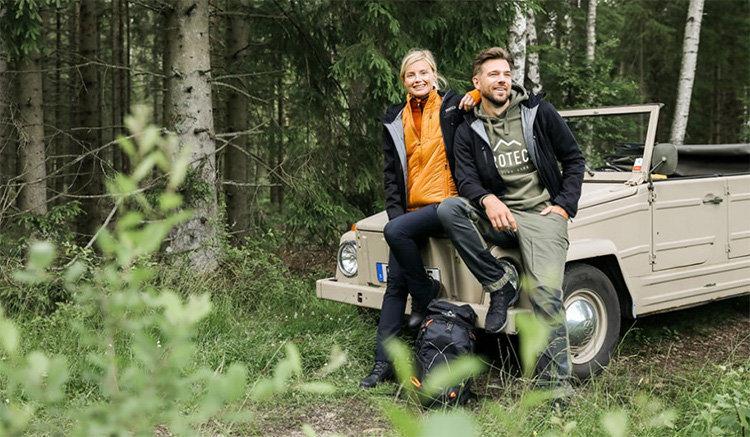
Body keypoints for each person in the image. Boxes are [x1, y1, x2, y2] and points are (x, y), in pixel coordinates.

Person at [436, 47, 585, 398]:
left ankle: (555, 391)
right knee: (449, 210)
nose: (501, 80)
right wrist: (488, 199)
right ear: (478, 82)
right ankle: (500, 281)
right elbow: (465, 177)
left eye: (505, 74)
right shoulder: (469, 127)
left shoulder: (538, 112)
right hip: (498, 214)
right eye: (493, 75)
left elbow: (574, 159)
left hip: (541, 216)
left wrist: (564, 206)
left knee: (547, 296)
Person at [359, 49, 479, 389]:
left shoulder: (453, 107)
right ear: (403, 80)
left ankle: (424, 295)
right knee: (394, 286)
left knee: (393, 234)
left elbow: (493, 92)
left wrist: (474, 94)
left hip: (446, 206)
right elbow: (391, 175)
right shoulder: (395, 119)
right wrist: (398, 214)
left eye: (424, 73)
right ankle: (384, 364)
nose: (418, 79)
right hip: (409, 213)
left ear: (434, 74)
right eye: (411, 75)